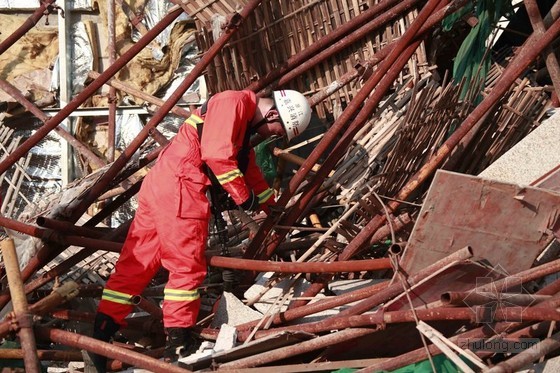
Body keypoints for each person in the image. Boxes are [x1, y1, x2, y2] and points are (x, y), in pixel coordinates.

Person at [89, 89, 312, 371]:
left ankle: (99, 339)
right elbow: (218, 157)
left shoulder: (238, 116)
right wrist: (244, 198)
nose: (272, 137)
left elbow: (247, 166)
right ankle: (179, 345)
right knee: (186, 267)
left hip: (162, 186)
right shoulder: (233, 103)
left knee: (136, 265)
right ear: (271, 114)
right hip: (183, 187)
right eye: (277, 131)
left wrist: (270, 203)